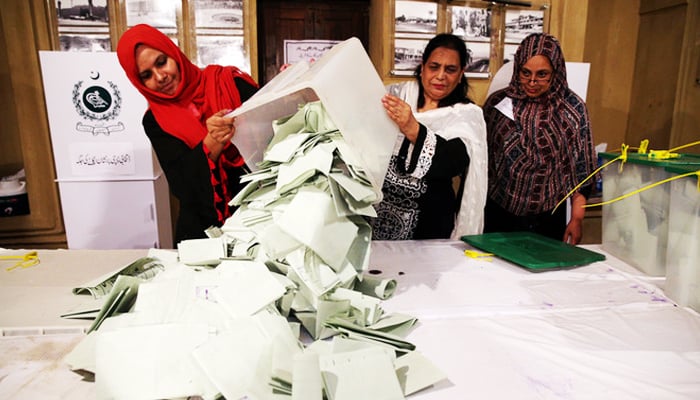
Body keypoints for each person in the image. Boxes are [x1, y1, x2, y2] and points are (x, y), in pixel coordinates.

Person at [116, 24, 258, 244]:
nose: (160, 76)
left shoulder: (229, 84)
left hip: (260, 218)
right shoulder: (155, 121)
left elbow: (276, 130)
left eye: (161, 62)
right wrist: (211, 143)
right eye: (146, 75)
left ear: (174, 54)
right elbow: (181, 185)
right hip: (204, 233)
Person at [370, 33, 488, 240]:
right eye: (434, 67)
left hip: (429, 223)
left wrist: (413, 128)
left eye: (450, 70)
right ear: (423, 67)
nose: (441, 76)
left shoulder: (465, 114)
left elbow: (454, 162)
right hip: (378, 212)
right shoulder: (396, 96)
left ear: (461, 74)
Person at [482, 33, 597, 244]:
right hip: (497, 210)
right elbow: (480, 161)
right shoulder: (496, 105)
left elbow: (582, 170)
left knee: (539, 275)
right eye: (525, 73)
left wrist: (577, 218)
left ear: (556, 72)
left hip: (547, 216)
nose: (532, 82)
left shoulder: (572, 109)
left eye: (542, 74)